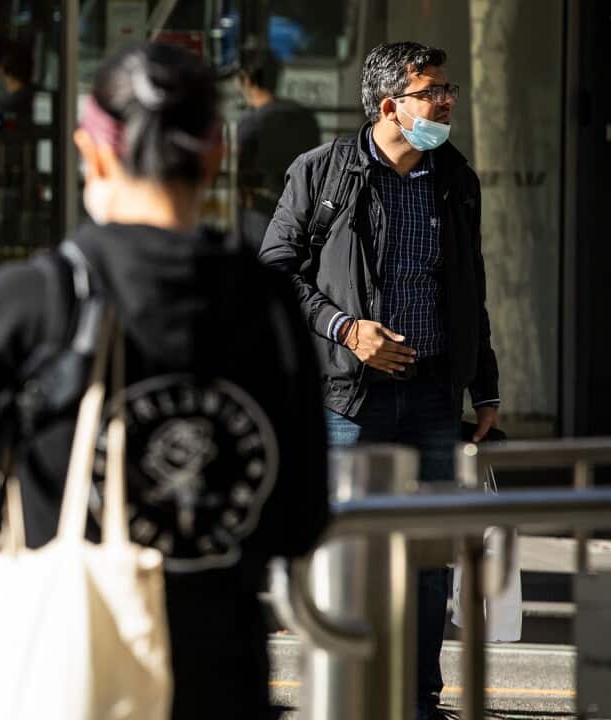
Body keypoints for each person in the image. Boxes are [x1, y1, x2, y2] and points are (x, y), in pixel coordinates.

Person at [0, 43, 329, 720]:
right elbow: (301, 519)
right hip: (221, 677)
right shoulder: (267, 302)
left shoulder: (33, 298)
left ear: (91, 152)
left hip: (65, 672)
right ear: (216, 153)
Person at [260, 41, 501, 720]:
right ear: (391, 104)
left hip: (430, 396)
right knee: (341, 553)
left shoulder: (455, 177)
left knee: (429, 559)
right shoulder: (322, 172)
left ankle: (419, 698)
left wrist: (483, 384)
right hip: (346, 398)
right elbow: (274, 270)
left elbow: (469, 286)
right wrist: (345, 329)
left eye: (448, 88)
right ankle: (340, 696)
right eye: (432, 91)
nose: (447, 101)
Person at [235, 47, 320, 252]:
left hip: (260, 216)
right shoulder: (305, 117)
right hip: (302, 213)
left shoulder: (250, 123)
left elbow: (239, 171)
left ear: (246, 79)